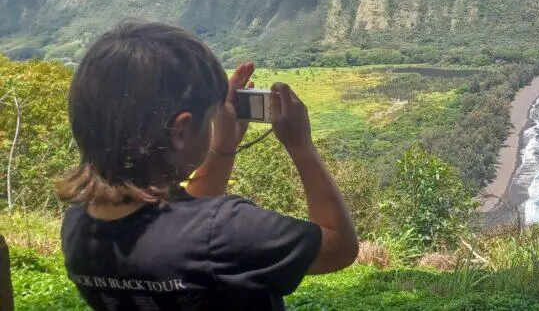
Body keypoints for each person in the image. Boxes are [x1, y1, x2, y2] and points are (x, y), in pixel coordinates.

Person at [56, 22, 358, 311]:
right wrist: (301, 146)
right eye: (211, 116)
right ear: (181, 131)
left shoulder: (79, 227)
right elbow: (339, 246)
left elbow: (183, 225)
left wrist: (224, 147)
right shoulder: (228, 230)